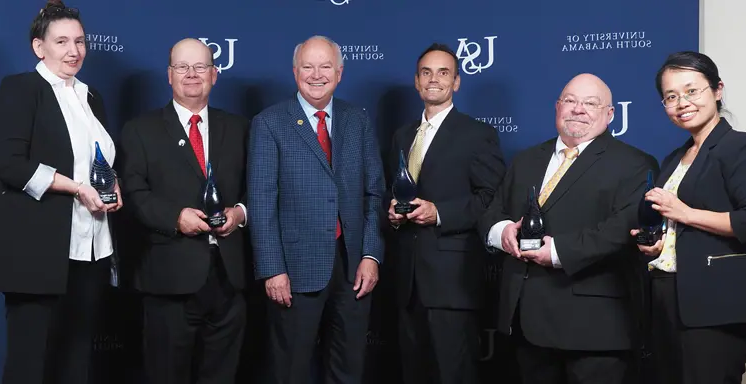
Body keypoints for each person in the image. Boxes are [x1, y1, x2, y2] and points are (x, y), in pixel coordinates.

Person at [478, 73, 659, 384]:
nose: (579, 109)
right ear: (557, 107)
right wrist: (503, 231)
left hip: (594, 330)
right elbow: (492, 210)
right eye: (571, 101)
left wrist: (557, 252)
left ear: (610, 114)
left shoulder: (636, 165)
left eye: (591, 103)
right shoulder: (526, 159)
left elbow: (621, 229)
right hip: (525, 324)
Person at [247, 35, 385, 383]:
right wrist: (272, 268)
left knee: (348, 369)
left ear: (340, 72)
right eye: (308, 66)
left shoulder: (358, 120)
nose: (316, 74)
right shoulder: (269, 123)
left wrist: (371, 255)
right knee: (290, 370)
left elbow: (374, 194)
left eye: (325, 66)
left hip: (353, 269)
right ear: (295, 72)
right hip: (293, 271)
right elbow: (261, 202)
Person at [0, 1, 123, 383]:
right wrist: (75, 188)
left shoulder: (92, 97)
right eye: (62, 41)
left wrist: (111, 183)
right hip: (38, 250)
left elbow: (95, 160)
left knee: (76, 358)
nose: (74, 51)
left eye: (80, 41)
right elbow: (9, 163)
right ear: (39, 47)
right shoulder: (21, 88)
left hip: (91, 248)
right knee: (30, 361)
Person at [119, 38, 249, 384]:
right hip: (168, 281)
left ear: (215, 74)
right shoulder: (139, 130)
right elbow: (133, 193)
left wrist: (240, 213)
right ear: (169, 75)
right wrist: (175, 218)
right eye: (182, 67)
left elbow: (258, 189)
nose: (192, 74)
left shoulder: (240, 129)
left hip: (229, 281)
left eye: (201, 67)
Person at [386, 43, 506, 384]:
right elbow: (391, 190)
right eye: (426, 72)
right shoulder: (402, 135)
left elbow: (491, 199)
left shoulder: (477, 135)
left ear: (456, 83)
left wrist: (440, 212)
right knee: (414, 373)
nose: (433, 79)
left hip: (452, 283)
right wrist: (391, 211)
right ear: (416, 81)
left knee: (454, 374)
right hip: (406, 281)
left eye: (443, 73)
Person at [630, 51, 746, 384]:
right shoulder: (673, 159)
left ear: (717, 90)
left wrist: (686, 213)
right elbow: (674, 225)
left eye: (691, 90)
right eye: (671, 96)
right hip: (667, 296)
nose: (682, 102)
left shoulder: (737, 147)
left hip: (715, 304)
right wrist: (656, 245)